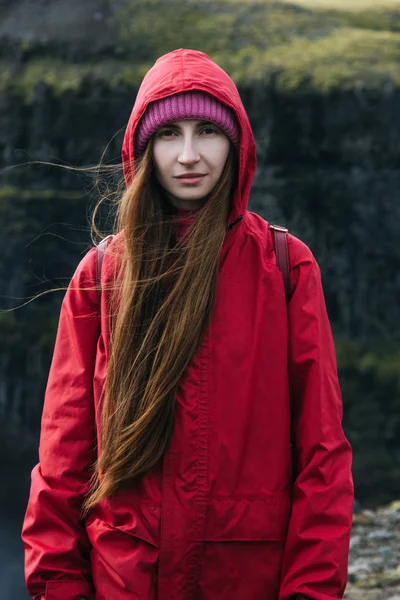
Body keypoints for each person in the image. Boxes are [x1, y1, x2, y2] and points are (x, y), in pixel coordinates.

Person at [21, 48, 354, 600]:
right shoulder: (102, 275)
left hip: (246, 582)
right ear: (143, 147)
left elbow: (322, 456)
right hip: (125, 582)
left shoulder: (287, 267)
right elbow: (62, 462)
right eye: (169, 134)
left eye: (208, 131)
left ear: (237, 143)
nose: (190, 155)